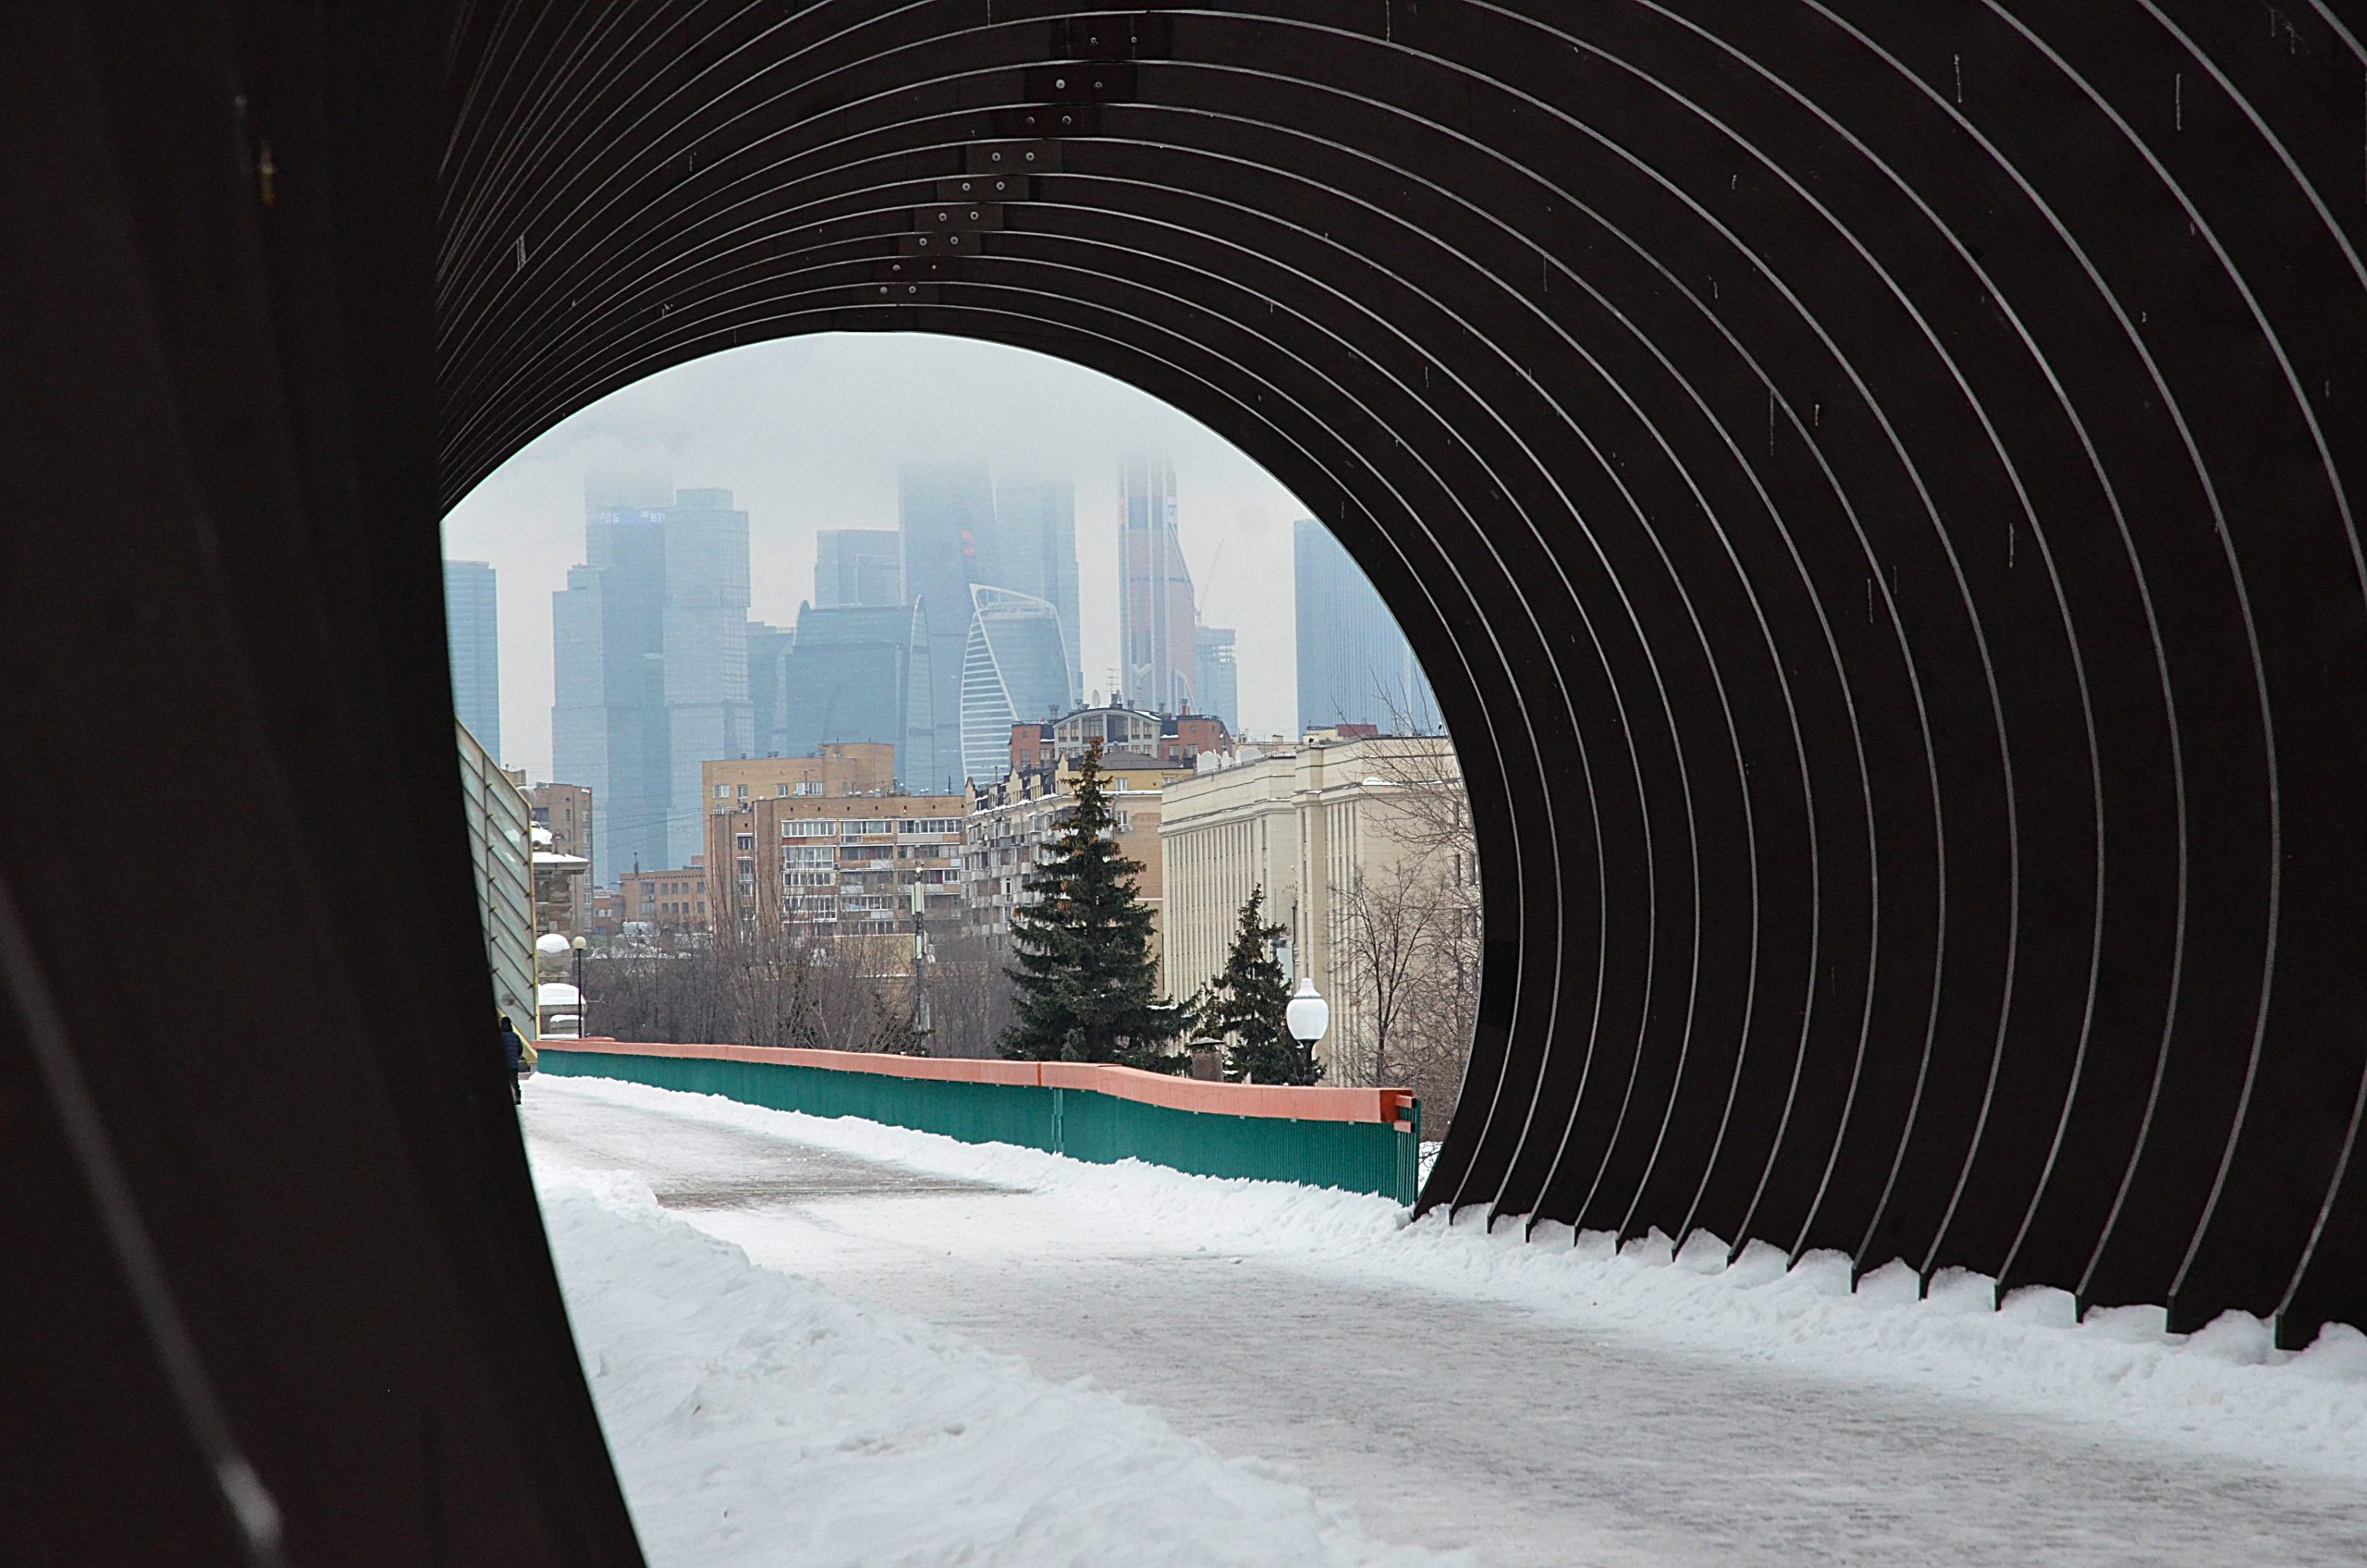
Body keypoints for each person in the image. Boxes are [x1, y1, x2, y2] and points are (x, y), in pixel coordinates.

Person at [497, 1012, 525, 1105]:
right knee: (515, 1082)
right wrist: (515, 1057)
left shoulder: (499, 1036)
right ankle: (517, 1098)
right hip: (513, 1064)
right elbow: (520, 1050)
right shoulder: (515, 1037)